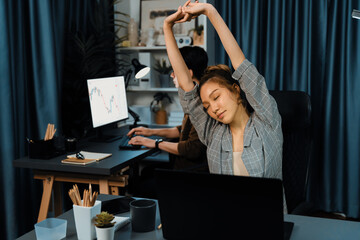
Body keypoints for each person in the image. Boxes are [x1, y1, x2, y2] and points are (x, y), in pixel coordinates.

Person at [164, 1, 286, 211]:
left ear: (236, 91)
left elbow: (241, 65)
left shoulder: (267, 121)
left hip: (268, 222)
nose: (213, 108)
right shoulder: (212, 133)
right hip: (224, 222)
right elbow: (185, 85)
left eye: (216, 97)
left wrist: (210, 11)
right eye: (207, 105)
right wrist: (167, 26)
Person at [127, 46, 208, 172]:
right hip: (184, 166)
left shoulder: (201, 104)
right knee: (146, 171)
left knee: (144, 175)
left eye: (175, 71)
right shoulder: (195, 99)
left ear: (189, 74)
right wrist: (151, 132)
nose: (171, 75)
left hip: (189, 174)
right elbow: (183, 130)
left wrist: (154, 143)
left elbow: (192, 149)